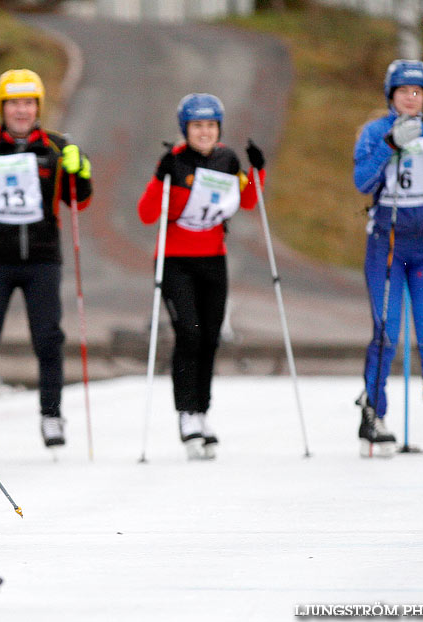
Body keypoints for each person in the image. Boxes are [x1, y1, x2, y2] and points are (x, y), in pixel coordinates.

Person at [0, 68, 92, 449]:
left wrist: (80, 170)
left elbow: (79, 200)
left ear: (38, 106)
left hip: (42, 257)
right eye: (14, 104)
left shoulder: (57, 147)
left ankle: (52, 415)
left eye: (28, 103)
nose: (21, 111)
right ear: (2, 107)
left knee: (49, 337)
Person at [136, 93, 263, 461]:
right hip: (176, 260)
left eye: (210, 126)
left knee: (210, 338)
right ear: (185, 129)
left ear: (218, 128)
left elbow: (250, 201)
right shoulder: (174, 162)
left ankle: (202, 412)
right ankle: (186, 413)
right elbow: (146, 214)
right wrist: (159, 177)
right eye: (197, 126)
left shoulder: (227, 160)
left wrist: (257, 170)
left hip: (213, 260)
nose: (204, 132)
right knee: (188, 333)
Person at [353, 59, 423, 458]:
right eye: (403, 92)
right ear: (391, 96)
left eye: (417, 92)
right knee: (386, 331)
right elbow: (362, 180)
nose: (410, 98)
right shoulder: (375, 131)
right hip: (387, 243)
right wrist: (390, 146)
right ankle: (374, 413)